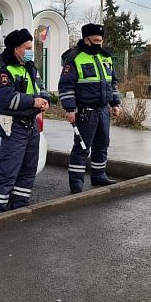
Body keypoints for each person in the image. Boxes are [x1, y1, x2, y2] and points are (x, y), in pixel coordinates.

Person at [0, 28, 50, 215]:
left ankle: (19, 209)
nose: (32, 51)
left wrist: (44, 100)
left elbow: (42, 88)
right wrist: (33, 101)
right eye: (28, 47)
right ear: (16, 49)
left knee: (28, 171)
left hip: (31, 125)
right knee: (8, 173)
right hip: (14, 127)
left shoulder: (30, 68)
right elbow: (7, 99)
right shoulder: (3, 71)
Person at [58, 23, 121, 194]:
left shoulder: (105, 57)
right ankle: (76, 182)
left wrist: (115, 103)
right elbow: (66, 86)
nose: (99, 43)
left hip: (103, 110)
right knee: (82, 147)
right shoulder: (74, 59)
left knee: (102, 144)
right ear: (86, 40)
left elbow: (112, 83)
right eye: (95, 40)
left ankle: (99, 175)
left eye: (101, 40)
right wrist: (69, 109)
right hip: (85, 111)